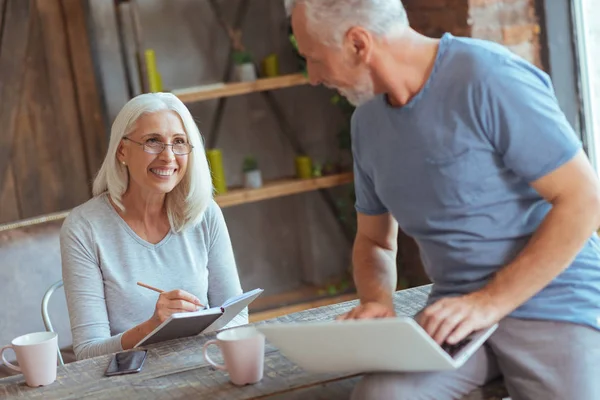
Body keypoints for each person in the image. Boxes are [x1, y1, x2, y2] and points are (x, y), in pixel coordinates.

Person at [286, 0, 600, 399]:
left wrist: (488, 302)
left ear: (358, 44)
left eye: (314, 58)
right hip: (453, 316)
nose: (313, 77)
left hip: (555, 300)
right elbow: (375, 241)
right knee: (381, 396)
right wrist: (377, 301)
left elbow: (583, 199)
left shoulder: (489, 76)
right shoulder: (366, 124)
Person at [60, 92, 247, 360]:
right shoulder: (83, 227)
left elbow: (237, 314)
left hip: (203, 363)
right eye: (153, 141)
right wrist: (153, 328)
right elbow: (89, 353)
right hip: (129, 379)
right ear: (122, 150)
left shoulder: (206, 214)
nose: (168, 156)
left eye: (179, 142)